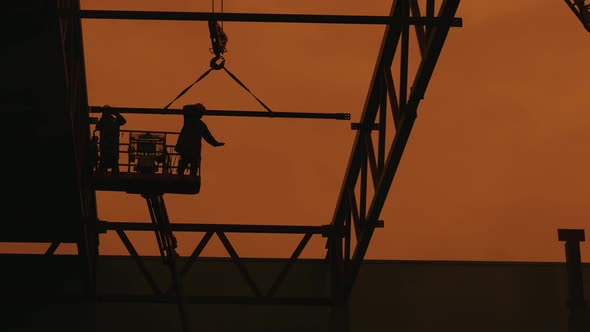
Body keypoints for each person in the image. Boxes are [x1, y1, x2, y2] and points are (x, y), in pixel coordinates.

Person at [175, 103, 225, 176]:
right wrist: (196, 107)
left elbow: (208, 136)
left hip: (192, 149)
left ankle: (186, 176)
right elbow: (185, 107)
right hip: (187, 148)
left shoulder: (199, 124)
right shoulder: (189, 119)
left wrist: (216, 143)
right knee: (185, 163)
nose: (202, 115)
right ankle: (182, 176)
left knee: (191, 164)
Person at [96, 106, 126, 174]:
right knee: (113, 161)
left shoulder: (103, 120)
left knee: (104, 160)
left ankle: (102, 175)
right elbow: (123, 121)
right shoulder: (114, 120)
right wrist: (117, 114)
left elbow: (97, 127)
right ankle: (115, 175)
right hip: (113, 144)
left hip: (105, 144)